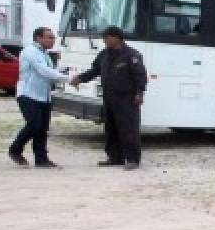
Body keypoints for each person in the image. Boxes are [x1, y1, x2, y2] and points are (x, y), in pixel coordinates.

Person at [70, 26, 147, 171]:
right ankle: (115, 157)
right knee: (111, 128)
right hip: (109, 96)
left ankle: (132, 159)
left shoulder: (132, 54)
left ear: (117, 37)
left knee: (128, 128)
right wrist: (80, 78)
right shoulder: (104, 54)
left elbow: (140, 75)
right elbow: (94, 71)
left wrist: (140, 92)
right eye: (104, 37)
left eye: (107, 37)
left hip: (127, 97)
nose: (104, 40)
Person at [9, 26, 70, 168]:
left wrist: (65, 73)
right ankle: (15, 149)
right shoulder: (30, 51)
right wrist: (68, 79)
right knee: (34, 125)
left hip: (43, 96)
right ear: (38, 38)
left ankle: (41, 159)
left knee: (42, 128)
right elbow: (44, 71)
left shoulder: (44, 54)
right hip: (28, 94)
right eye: (49, 37)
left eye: (53, 37)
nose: (52, 40)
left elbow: (51, 72)